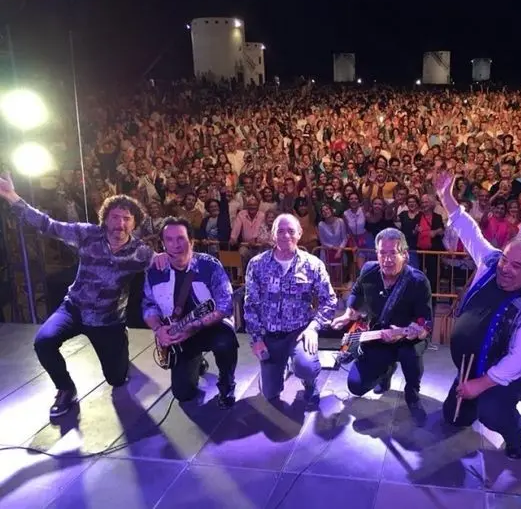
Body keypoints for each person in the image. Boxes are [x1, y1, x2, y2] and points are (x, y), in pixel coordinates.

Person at [0, 173, 168, 418]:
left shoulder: (141, 252)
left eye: (126, 219)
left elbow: (164, 270)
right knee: (43, 342)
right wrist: (11, 196)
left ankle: (119, 345)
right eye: (115, 217)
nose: (120, 224)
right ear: (105, 219)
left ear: (134, 224)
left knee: (117, 379)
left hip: (108, 320)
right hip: (74, 309)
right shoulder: (87, 234)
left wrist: (165, 259)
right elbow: (48, 225)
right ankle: (65, 389)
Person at [433, 171, 521, 460]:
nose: (505, 268)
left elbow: (517, 361)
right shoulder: (490, 262)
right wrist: (447, 198)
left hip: (505, 375)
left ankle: (516, 433)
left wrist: (481, 384)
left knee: (491, 412)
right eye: (505, 260)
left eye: (516, 266)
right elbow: (469, 231)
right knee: (454, 418)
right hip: (469, 365)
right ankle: (472, 394)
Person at [331, 228, 433, 424]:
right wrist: (348, 313)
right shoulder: (369, 271)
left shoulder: (418, 281)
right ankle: (386, 372)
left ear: (404, 254)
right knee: (356, 386)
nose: (387, 259)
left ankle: (412, 393)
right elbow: (357, 290)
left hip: (408, 337)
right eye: (382, 253)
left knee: (410, 355)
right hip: (379, 334)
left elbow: (425, 321)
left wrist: (414, 332)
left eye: (393, 253)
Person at [142, 217, 239, 408]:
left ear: (191, 242)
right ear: (163, 244)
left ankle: (227, 383)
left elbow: (225, 305)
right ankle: (198, 362)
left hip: (210, 326)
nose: (175, 244)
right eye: (169, 240)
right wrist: (158, 329)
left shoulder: (209, 266)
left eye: (181, 238)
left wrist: (195, 326)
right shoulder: (154, 271)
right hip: (179, 332)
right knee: (183, 394)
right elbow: (148, 305)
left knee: (225, 342)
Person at [244, 213, 337, 407]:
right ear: (273, 235)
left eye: (291, 231)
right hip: (270, 335)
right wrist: (256, 339)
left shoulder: (313, 264)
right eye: (280, 231)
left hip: (299, 332)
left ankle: (309, 383)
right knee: (269, 393)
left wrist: (314, 327)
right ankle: (282, 365)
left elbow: (329, 300)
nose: (285, 235)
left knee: (306, 367)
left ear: (300, 234)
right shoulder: (257, 264)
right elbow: (250, 304)